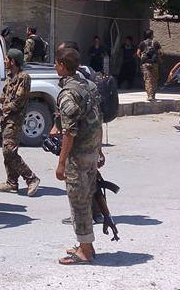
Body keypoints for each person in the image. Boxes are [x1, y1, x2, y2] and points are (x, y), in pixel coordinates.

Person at [52, 46, 103, 265]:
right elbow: (97, 121)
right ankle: (86, 244)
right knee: (86, 198)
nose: (55, 66)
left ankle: (85, 251)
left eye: (56, 63)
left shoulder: (68, 93)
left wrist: (61, 163)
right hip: (91, 152)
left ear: (63, 66)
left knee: (79, 202)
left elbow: (69, 131)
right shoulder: (89, 86)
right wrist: (99, 150)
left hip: (78, 156)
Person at [0, 49, 40, 196]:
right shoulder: (10, 76)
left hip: (15, 120)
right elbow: (5, 96)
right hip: (6, 119)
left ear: (13, 61)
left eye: (7, 59)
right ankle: (12, 182)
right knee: (7, 152)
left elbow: (17, 102)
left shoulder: (23, 77)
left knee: (9, 151)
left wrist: (1, 110)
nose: (5, 61)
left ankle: (31, 178)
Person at [137, 30, 162, 102]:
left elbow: (138, 53)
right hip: (154, 64)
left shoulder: (142, 43)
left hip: (145, 64)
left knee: (148, 79)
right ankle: (153, 95)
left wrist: (143, 59)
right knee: (154, 79)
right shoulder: (156, 43)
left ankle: (149, 95)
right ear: (151, 35)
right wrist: (158, 59)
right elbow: (160, 52)